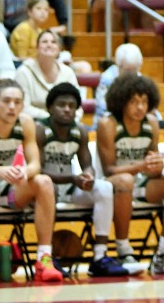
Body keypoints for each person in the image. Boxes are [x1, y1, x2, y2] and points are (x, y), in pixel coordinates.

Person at [0, 79, 64, 286]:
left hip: (6, 187)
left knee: (44, 182)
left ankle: (44, 258)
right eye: (6, 101)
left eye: (17, 102)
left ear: (23, 105)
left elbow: (35, 164)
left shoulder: (25, 123)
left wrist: (25, 172)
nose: (12, 106)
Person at [35, 83, 131, 277]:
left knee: (104, 187)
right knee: (48, 187)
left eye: (71, 106)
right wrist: (72, 177)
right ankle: (48, 256)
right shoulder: (39, 130)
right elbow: (38, 170)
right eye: (61, 105)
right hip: (44, 189)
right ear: (50, 108)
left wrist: (88, 175)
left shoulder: (80, 131)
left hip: (69, 188)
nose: (67, 109)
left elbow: (86, 163)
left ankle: (99, 256)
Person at [97, 74, 164, 275]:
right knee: (125, 180)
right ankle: (123, 250)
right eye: (134, 102)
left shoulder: (152, 123)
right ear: (122, 101)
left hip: (142, 183)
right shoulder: (108, 124)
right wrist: (140, 166)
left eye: (144, 102)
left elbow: (152, 167)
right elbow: (108, 169)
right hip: (115, 183)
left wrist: (157, 167)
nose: (140, 107)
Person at [14, 30, 78, 119]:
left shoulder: (68, 72)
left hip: (65, 122)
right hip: (34, 123)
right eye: (44, 42)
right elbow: (23, 107)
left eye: (54, 42)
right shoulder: (24, 72)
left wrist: (72, 119)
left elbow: (78, 106)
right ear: (37, 47)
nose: (49, 45)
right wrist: (51, 119)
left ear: (59, 49)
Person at [93, 43, 143, 124]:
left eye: (135, 70)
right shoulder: (107, 78)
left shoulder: (140, 78)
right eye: (128, 70)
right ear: (118, 66)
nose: (131, 74)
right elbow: (103, 109)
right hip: (110, 122)